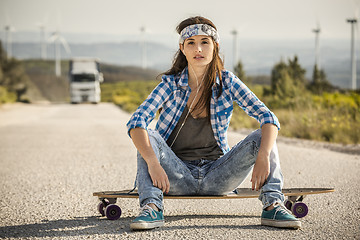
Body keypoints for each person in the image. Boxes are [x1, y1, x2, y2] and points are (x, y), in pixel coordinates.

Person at [126, 16, 301, 230]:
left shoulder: (227, 82)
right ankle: (152, 207)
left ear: (215, 46)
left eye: (205, 42)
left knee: (263, 136)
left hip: (218, 175)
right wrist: (153, 163)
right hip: (175, 176)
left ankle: (273, 204)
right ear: (182, 48)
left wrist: (263, 155)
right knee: (146, 134)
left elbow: (268, 118)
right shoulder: (170, 84)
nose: (198, 48)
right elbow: (137, 120)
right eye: (191, 43)